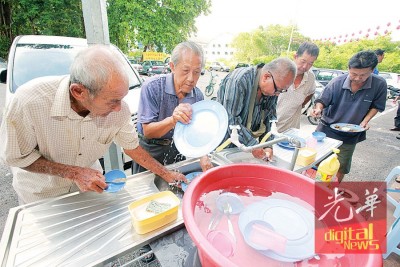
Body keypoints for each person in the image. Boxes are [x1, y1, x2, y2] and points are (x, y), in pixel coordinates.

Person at [0, 45, 187, 204]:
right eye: (112, 101)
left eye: (121, 99)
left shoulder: (118, 110)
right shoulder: (28, 102)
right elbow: (16, 157)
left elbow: (132, 147)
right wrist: (73, 173)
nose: (119, 109)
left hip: (90, 190)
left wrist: (166, 173)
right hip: (41, 197)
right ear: (79, 92)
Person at [132, 41, 213, 174]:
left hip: (177, 149)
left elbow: (194, 132)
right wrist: (173, 120)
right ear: (172, 67)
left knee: (177, 186)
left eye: (197, 72)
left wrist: (203, 155)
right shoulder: (153, 87)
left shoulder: (197, 95)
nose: (191, 78)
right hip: (150, 151)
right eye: (185, 71)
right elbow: (148, 131)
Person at [312, 50, 387, 183]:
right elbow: (322, 100)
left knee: (341, 166)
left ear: (372, 70)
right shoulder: (337, 81)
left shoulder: (379, 84)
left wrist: (365, 120)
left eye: (363, 75)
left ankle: (332, 191)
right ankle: (313, 188)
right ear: (348, 69)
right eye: (354, 74)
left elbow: (377, 105)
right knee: (317, 161)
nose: (357, 78)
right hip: (326, 130)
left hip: (351, 134)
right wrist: (318, 109)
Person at [216, 57, 297, 161]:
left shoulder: (272, 88)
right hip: (224, 145)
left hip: (245, 146)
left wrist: (268, 145)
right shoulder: (239, 80)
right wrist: (253, 145)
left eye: (282, 91)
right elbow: (232, 121)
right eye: (278, 90)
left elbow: (270, 118)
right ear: (266, 77)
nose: (277, 95)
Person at [276, 42, 319, 133]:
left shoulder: (310, 77)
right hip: (271, 126)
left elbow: (311, 92)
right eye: (303, 61)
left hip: (292, 128)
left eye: (310, 63)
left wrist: (301, 105)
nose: (305, 67)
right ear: (295, 56)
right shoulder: (279, 71)